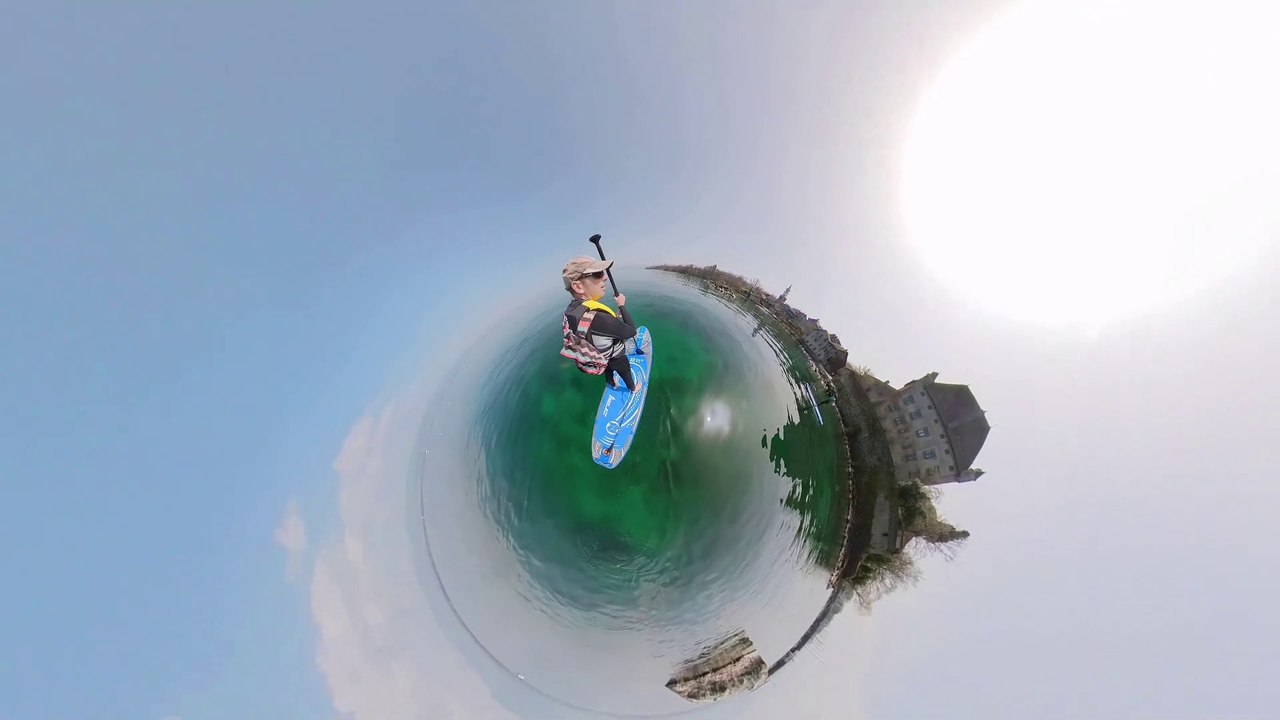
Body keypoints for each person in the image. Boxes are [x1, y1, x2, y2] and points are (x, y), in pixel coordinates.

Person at [561, 256, 639, 392]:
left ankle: (611, 382)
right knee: (625, 371)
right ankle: (633, 388)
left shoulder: (571, 311)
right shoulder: (601, 320)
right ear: (578, 286)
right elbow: (631, 331)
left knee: (608, 370)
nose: (605, 277)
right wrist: (622, 306)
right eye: (598, 274)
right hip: (616, 357)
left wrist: (611, 320)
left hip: (601, 358)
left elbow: (591, 329)